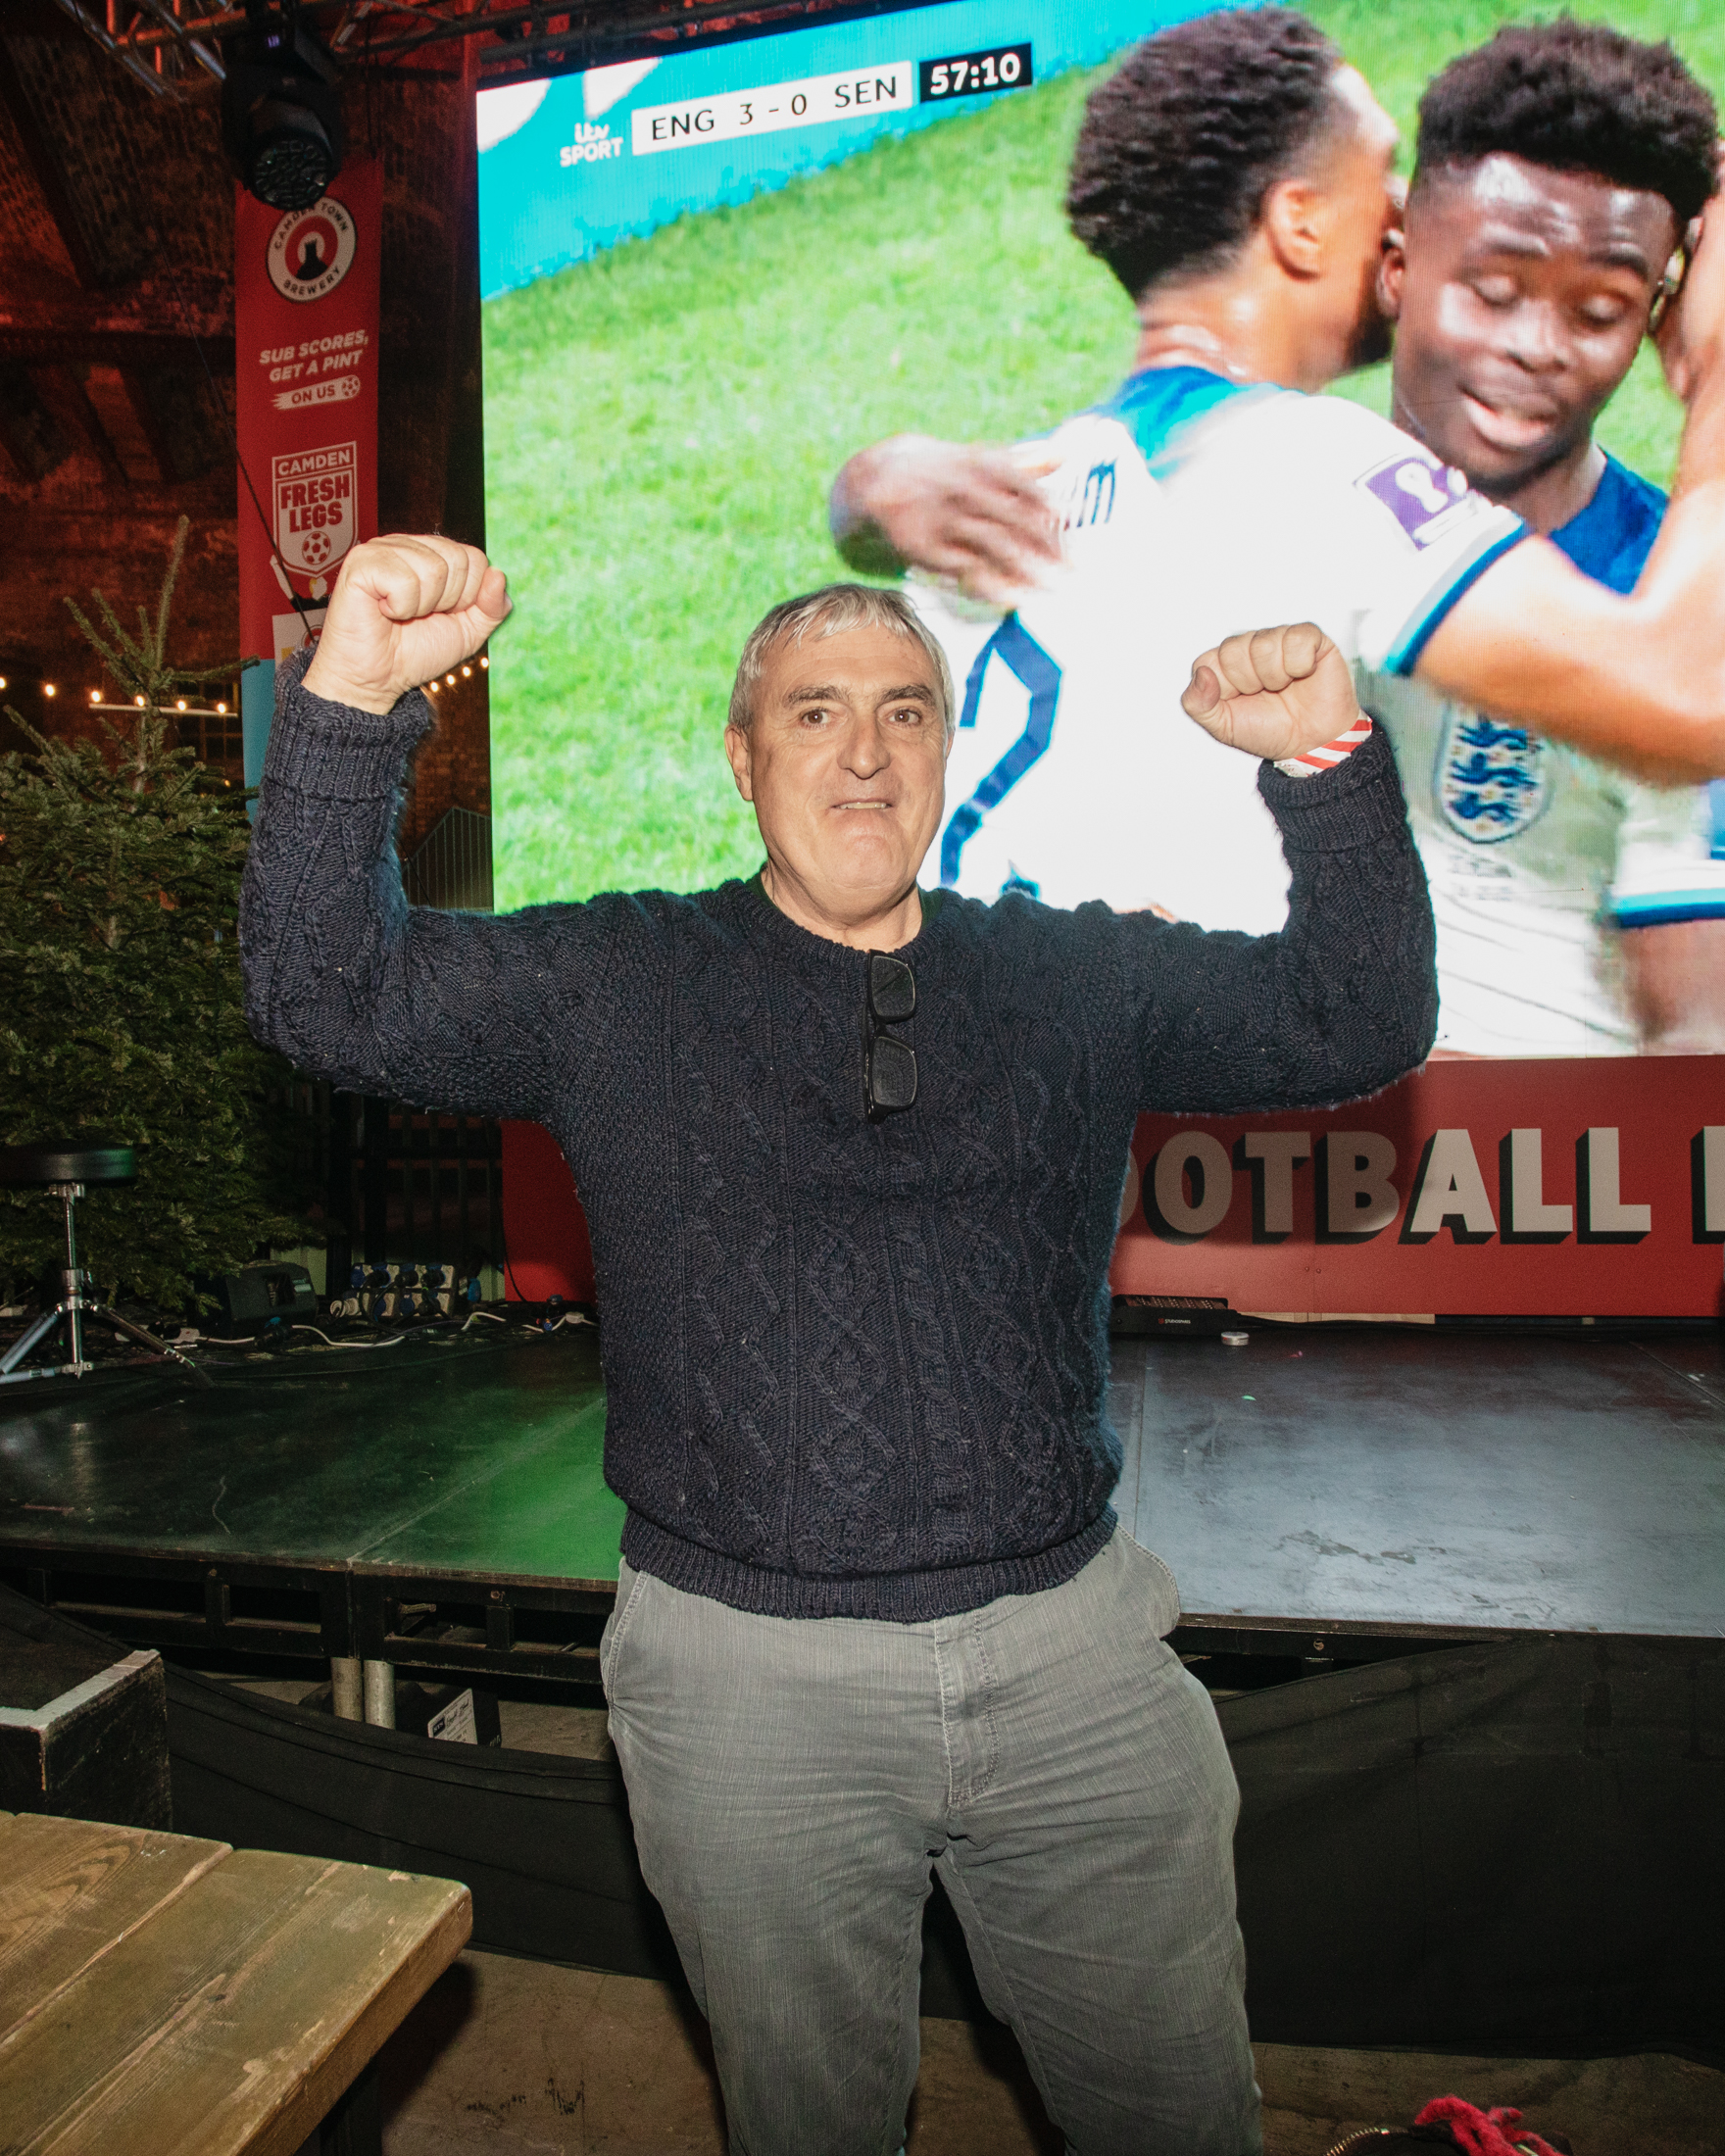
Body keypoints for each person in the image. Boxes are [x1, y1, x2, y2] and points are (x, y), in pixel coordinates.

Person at [240, 534, 1437, 2156]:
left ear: (949, 752)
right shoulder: (616, 981)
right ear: (744, 760)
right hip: (747, 1688)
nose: (865, 752)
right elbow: (322, 997)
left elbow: (1359, 1017)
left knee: (1178, 2118)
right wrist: (349, 707)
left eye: (904, 711)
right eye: (814, 713)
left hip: (1076, 1671)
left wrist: (1328, 759)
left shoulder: (1074, 978)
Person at [829, 11, 1725, 948]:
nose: (1407, 210)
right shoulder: (1313, 467)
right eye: (1384, 174)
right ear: (1301, 222)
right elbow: (1687, 703)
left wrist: (862, 488)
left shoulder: (1001, 495)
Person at [1367, 23, 1725, 1053]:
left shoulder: (1676, 604)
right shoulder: (1279, 492)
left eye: (1600, 310)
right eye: (1492, 291)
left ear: (1660, 315)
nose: (1536, 347)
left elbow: (1698, 1036)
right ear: (1396, 264)